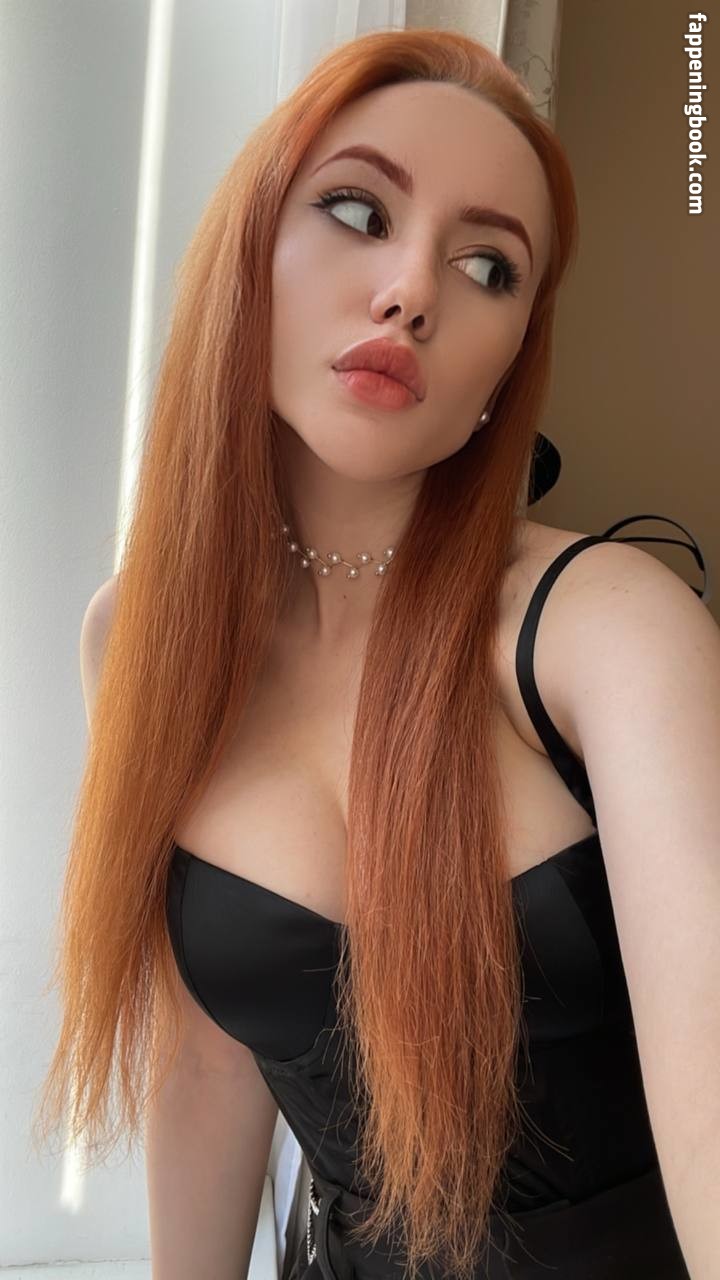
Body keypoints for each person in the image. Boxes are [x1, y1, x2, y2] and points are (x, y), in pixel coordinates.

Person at [33, 27, 712, 1280]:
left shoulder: (610, 630)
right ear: (250, 248)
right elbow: (207, 1062)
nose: (412, 291)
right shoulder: (137, 638)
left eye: (488, 266)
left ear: (509, 367)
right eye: (358, 210)